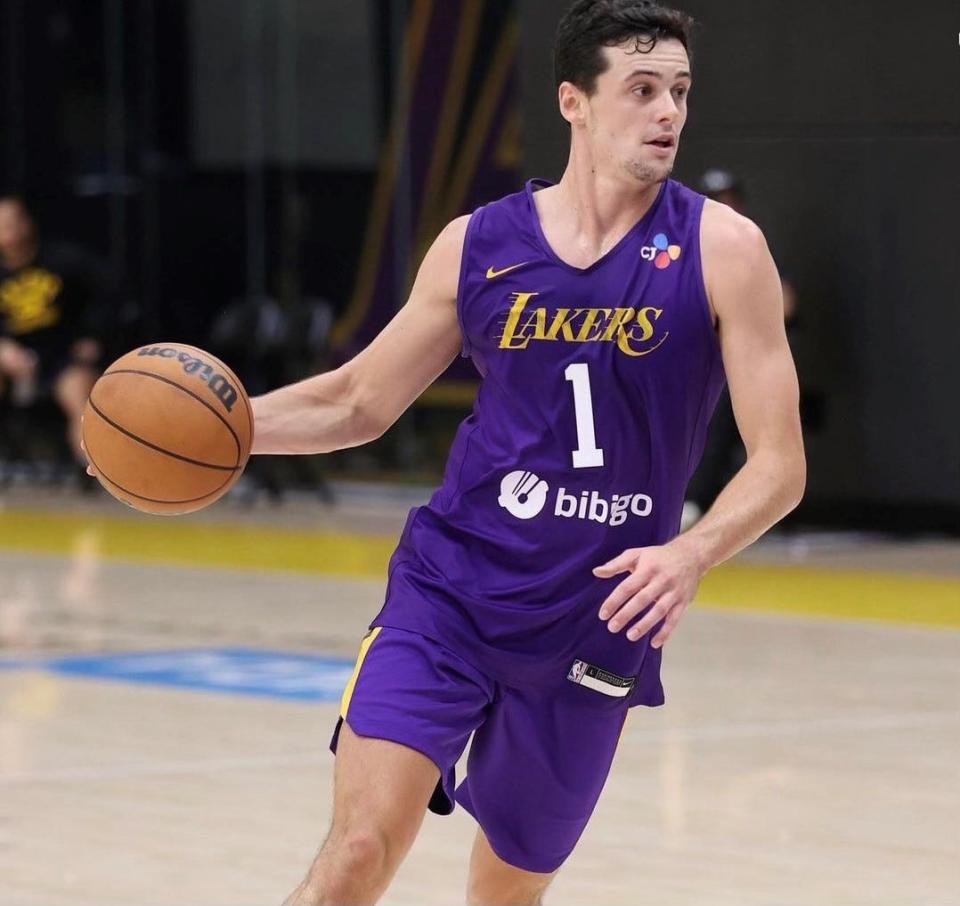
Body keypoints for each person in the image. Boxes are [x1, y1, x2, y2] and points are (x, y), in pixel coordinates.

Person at [239, 1, 805, 902]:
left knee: (504, 893)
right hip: (450, 592)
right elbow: (358, 400)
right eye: (643, 89)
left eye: (681, 93)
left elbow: (780, 465)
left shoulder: (724, 250)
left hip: (597, 621)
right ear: (573, 102)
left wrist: (692, 553)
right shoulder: (479, 244)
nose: (668, 113)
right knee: (355, 853)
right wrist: (227, 428)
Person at [683, 168, 802, 526]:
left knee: (754, 436)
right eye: (718, 199)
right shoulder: (679, 246)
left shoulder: (748, 245)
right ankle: (689, 501)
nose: (725, 205)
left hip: (736, 362)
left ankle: (707, 508)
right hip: (688, 365)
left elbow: (786, 303)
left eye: (730, 198)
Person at [0, 194, 103, 466]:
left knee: (80, 397)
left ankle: (91, 472)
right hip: (14, 360)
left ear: (27, 222)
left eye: (14, 222)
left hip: (62, 357)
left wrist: (93, 337)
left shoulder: (64, 261)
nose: (10, 231)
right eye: (2, 225)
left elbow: (107, 297)